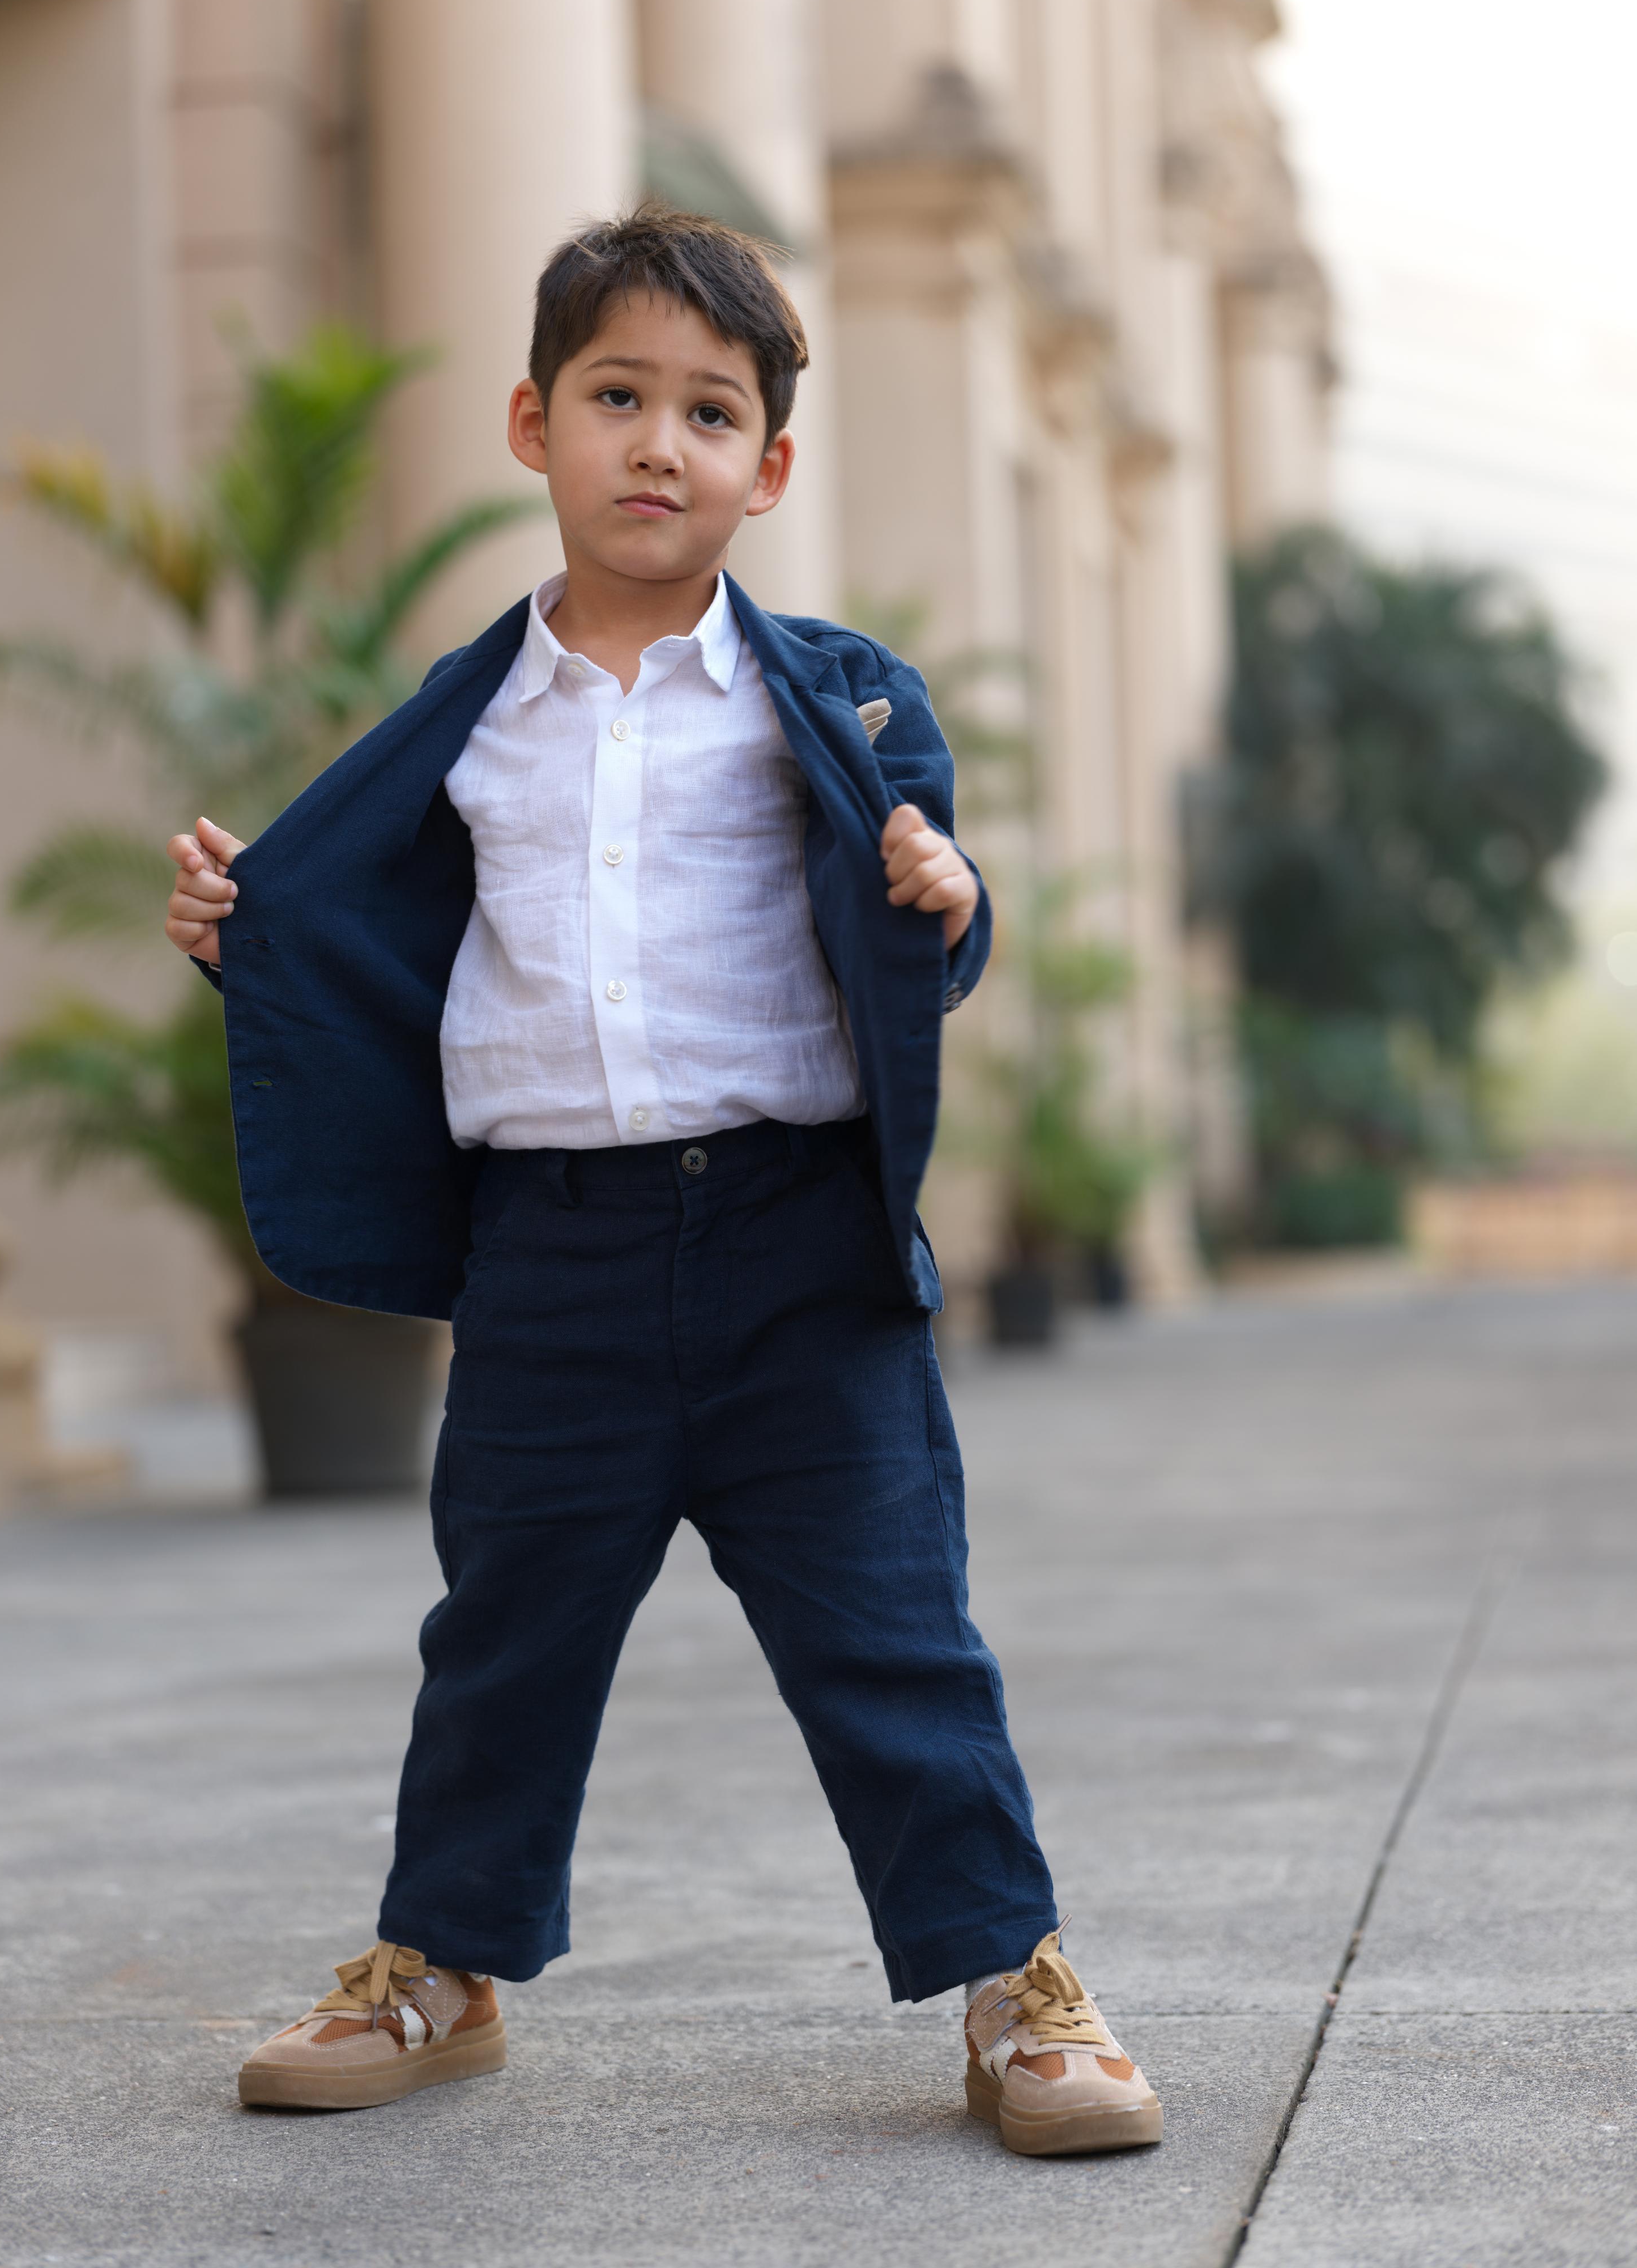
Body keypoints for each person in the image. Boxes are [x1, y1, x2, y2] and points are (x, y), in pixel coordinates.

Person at [163, 206, 1161, 2157]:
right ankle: (437, 1975)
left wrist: (952, 905)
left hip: (799, 1247)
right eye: (617, 397)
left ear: (765, 468)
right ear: (533, 425)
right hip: (557, 1260)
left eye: (709, 413)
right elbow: (367, 924)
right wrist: (246, 928)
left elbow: (918, 925)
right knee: (504, 1640)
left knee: (892, 1631)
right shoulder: (472, 721)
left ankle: (1012, 1990)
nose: (658, 444)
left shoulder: (835, 699)